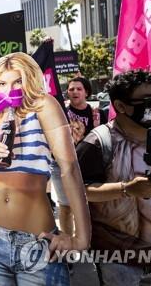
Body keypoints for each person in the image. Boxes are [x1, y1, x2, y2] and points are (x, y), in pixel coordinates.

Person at [0, 52, 90, 285]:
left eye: (17, 81)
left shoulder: (43, 106)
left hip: (37, 240)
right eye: (2, 83)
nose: (9, 88)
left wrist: (81, 237)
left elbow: (70, 169)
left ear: (29, 80)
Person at [76, 69, 151, 285]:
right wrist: (126, 189)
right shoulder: (98, 144)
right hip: (117, 260)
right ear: (121, 106)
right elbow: (78, 192)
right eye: (147, 100)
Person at [52, 77, 106, 236]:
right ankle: (68, 242)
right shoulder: (61, 113)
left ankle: (86, 240)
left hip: (88, 166)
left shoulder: (98, 114)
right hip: (62, 165)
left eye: (79, 89)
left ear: (87, 92)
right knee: (66, 206)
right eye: (71, 89)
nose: (74, 92)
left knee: (88, 204)